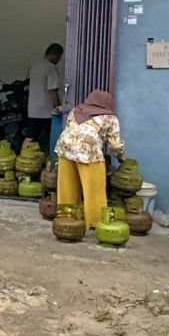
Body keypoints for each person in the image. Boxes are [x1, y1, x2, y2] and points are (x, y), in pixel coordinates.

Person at [54, 89, 126, 230]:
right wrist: (121, 157)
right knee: (94, 189)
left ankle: (67, 217)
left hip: (65, 147)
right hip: (88, 152)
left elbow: (70, 127)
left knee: (67, 185)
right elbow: (115, 145)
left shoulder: (76, 110)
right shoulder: (110, 117)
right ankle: (94, 222)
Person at [25, 43, 64, 152]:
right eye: (59, 57)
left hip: (33, 108)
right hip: (46, 110)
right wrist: (58, 106)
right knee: (52, 137)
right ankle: (52, 160)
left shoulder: (35, 66)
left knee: (30, 136)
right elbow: (52, 90)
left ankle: (23, 157)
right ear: (54, 54)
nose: (59, 60)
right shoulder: (51, 68)